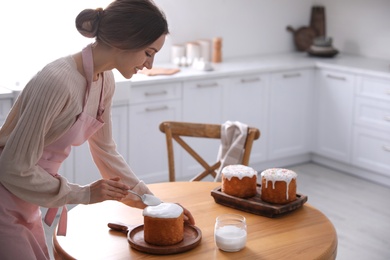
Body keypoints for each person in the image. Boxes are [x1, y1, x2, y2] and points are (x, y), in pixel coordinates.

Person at [0, 0, 195, 259]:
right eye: (148, 52)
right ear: (124, 40)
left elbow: (105, 151)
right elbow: (12, 169)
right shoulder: (57, 81)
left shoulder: (105, 80)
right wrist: (83, 194)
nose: (149, 65)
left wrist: (156, 205)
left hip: (29, 198)